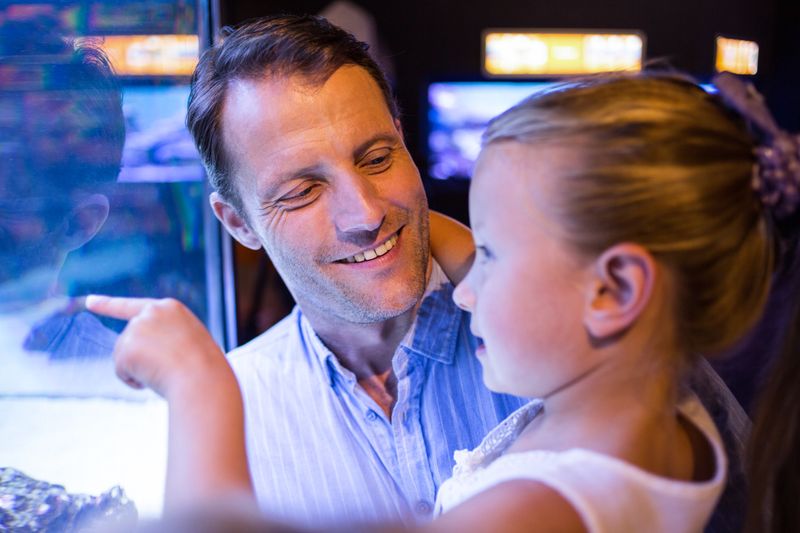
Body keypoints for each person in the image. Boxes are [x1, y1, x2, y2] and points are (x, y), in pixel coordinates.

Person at [89, 69, 800, 532]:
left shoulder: (539, 507)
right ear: (236, 221)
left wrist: (199, 384)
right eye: (302, 190)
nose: (367, 213)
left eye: (377, 159)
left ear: (615, 290)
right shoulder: (660, 403)